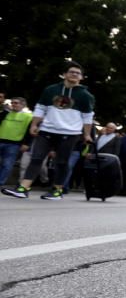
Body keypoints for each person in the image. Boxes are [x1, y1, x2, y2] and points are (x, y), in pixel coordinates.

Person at [2, 61, 94, 200]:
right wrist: (34, 125)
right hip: (46, 130)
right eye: (71, 72)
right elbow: (40, 108)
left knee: (62, 162)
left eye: (78, 73)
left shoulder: (85, 96)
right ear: (64, 75)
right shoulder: (50, 90)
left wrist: (87, 134)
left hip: (70, 133)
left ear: (82, 77)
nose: (74, 74)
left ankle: (57, 191)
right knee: (36, 158)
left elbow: (88, 117)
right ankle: (23, 188)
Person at [0, 97, 32, 186]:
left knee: (7, 165)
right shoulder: (6, 113)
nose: (13, 104)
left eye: (16, 103)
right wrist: (6, 111)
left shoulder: (28, 116)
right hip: (1, 140)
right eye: (12, 103)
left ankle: (0, 182)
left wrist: (26, 143)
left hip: (14, 144)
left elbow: (29, 132)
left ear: (23, 105)